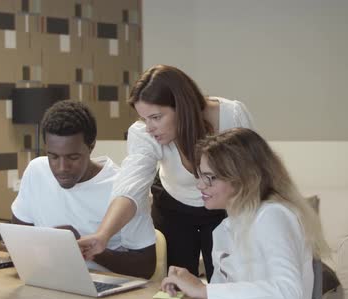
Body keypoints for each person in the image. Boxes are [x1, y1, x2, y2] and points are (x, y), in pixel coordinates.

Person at [78, 65, 255, 280]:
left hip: (224, 206)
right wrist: (103, 235)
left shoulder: (231, 116)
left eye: (156, 117)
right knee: (175, 286)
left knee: (228, 282)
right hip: (174, 207)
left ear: (182, 106)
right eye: (144, 119)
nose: (150, 127)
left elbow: (251, 175)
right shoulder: (145, 134)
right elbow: (130, 188)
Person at [159, 128, 329, 299]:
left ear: (243, 178)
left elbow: (289, 293)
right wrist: (192, 287)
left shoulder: (272, 215)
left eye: (210, 178)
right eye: (199, 176)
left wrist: (204, 291)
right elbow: (225, 296)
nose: (200, 186)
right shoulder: (223, 229)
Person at [11, 100, 156, 279]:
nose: (62, 167)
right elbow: (18, 243)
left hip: (105, 287)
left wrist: (90, 249)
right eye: (53, 156)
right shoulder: (36, 171)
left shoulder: (124, 187)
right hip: (49, 279)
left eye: (73, 157)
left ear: (91, 146)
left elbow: (146, 267)